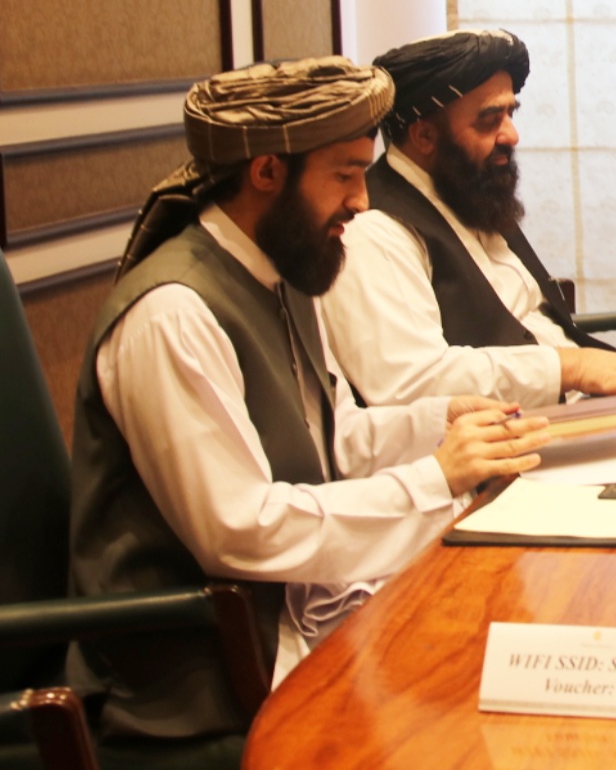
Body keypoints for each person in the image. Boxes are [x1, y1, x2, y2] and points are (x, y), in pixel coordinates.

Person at [69, 58, 551, 739]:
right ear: (267, 172)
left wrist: (440, 420)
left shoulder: (285, 264)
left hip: (303, 611)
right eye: (347, 175)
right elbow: (241, 530)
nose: (361, 201)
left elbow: (333, 440)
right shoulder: (172, 316)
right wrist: (435, 476)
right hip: (212, 671)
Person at [318, 29, 616, 407]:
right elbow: (412, 381)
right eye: (489, 120)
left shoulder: (470, 193)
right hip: (511, 448)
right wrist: (569, 367)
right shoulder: (371, 232)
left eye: (511, 113)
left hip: (580, 413)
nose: (511, 135)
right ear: (424, 135)